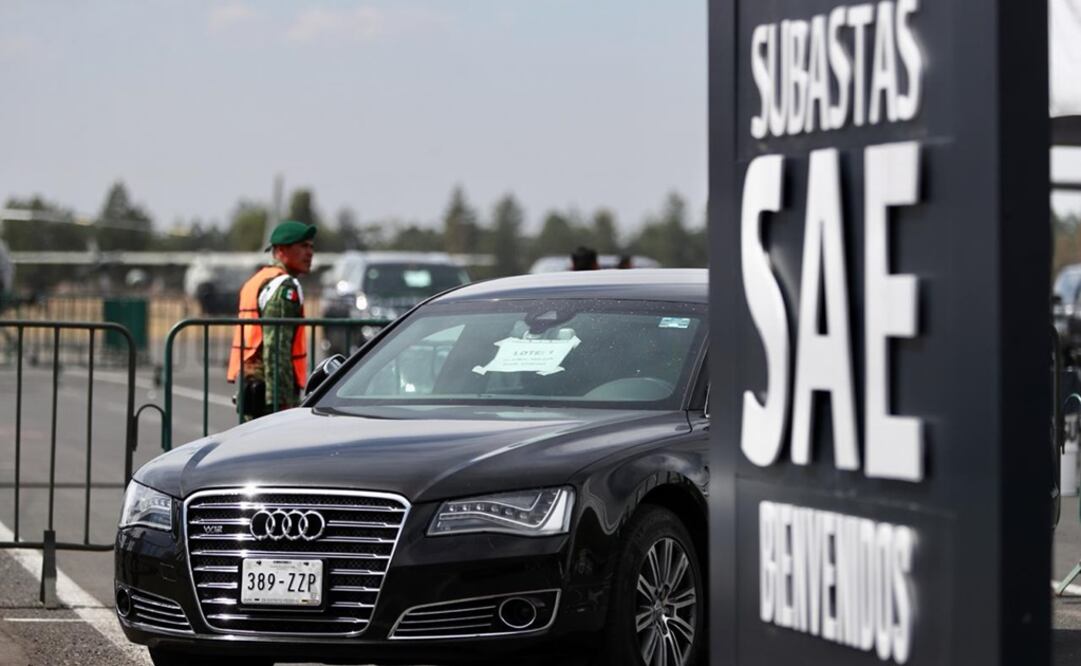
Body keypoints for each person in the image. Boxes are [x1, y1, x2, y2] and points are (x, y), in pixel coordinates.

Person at [226, 220, 316, 419]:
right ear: (281, 250)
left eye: (311, 247)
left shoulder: (259, 279)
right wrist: (281, 402)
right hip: (269, 391)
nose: (309, 253)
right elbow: (276, 349)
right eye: (303, 246)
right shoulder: (284, 287)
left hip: (253, 384)